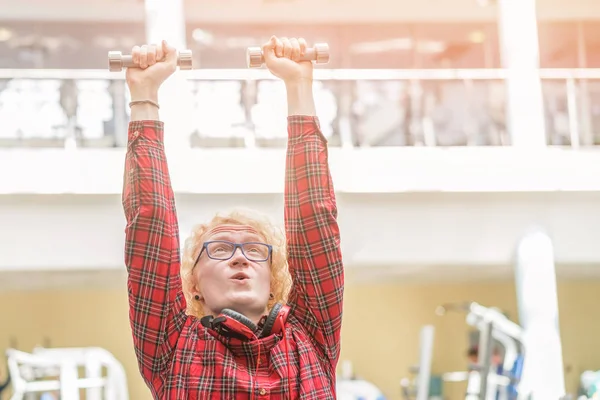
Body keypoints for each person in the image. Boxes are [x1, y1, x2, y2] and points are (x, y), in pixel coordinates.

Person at [122, 36, 344, 399]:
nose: (240, 256)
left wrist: (298, 83)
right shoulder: (173, 346)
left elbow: (315, 219)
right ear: (192, 285)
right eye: (220, 249)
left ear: (273, 282)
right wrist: (144, 94)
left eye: (255, 250)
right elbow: (149, 224)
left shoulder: (311, 334)